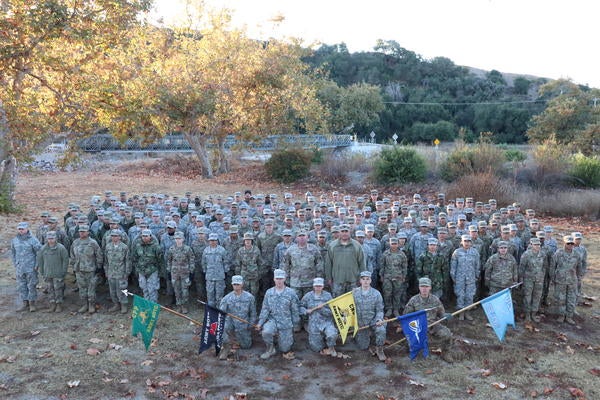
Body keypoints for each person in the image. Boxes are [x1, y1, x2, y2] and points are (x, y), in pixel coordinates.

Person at [404, 277, 453, 362]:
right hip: (418, 327)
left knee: (447, 333)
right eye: (422, 286)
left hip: (433, 325)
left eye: (426, 287)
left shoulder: (435, 300)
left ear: (430, 288)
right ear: (419, 287)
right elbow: (406, 316)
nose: (424, 289)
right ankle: (416, 349)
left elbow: (441, 314)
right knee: (411, 343)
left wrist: (446, 316)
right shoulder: (413, 300)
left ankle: (445, 353)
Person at [256, 269, 300, 359]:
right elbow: (265, 309)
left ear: (284, 279)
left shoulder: (291, 293)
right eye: (277, 278)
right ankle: (270, 349)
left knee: (285, 348)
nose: (279, 281)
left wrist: (295, 324)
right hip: (273, 320)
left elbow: (295, 310)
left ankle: (283, 339)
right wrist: (260, 323)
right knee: (266, 332)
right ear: (274, 279)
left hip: (286, 322)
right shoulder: (269, 292)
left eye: (281, 278)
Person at [219, 275, 257, 360]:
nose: (236, 286)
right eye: (234, 284)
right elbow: (221, 313)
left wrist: (251, 324)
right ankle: (226, 346)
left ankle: (238, 338)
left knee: (246, 346)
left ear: (242, 284)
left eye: (238, 284)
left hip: (243, 323)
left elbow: (253, 313)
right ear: (232, 285)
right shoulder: (226, 298)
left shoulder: (250, 297)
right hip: (231, 322)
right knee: (221, 328)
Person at [353, 271, 387, 362]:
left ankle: (379, 349)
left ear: (371, 280)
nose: (365, 281)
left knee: (381, 329)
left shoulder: (376, 294)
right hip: (361, 323)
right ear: (360, 281)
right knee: (363, 346)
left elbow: (380, 310)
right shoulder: (354, 293)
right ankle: (366, 335)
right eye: (363, 279)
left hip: (373, 321)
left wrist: (379, 319)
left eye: (367, 279)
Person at [300, 277, 338, 356]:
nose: (318, 288)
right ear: (313, 286)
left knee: (332, 335)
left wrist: (323, 309)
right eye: (316, 286)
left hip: (326, 322)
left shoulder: (328, 296)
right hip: (314, 324)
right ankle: (320, 339)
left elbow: (333, 312)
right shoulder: (308, 296)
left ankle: (331, 347)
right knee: (316, 348)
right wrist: (306, 311)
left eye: (320, 286)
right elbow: (300, 307)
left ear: (323, 286)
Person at [69, 224, 103, 314]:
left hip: (90, 269)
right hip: (79, 269)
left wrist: (99, 267)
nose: (82, 233)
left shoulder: (93, 243)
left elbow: (99, 255)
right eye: (80, 231)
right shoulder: (75, 242)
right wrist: (74, 265)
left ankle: (91, 304)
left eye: (84, 231)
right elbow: (72, 255)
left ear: (88, 232)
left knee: (91, 288)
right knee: (82, 288)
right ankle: (84, 304)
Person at [324, 224, 365, 297]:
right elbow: (328, 263)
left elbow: (362, 263)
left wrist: (362, 278)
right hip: (337, 280)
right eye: (342, 231)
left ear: (350, 232)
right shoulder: (332, 245)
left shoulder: (356, 245)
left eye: (346, 231)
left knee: (354, 302)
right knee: (338, 303)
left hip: (353, 280)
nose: (344, 233)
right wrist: (329, 278)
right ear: (339, 232)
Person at [552, 236, 583, 325]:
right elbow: (553, 266)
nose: (570, 245)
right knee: (561, 298)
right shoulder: (558, 253)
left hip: (572, 280)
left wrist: (579, 276)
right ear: (564, 243)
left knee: (571, 298)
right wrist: (552, 277)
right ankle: (561, 315)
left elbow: (579, 266)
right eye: (568, 243)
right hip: (560, 280)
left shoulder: (576, 254)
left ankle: (569, 316)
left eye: (572, 243)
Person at [12, 222, 42, 312]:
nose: (21, 230)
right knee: (21, 286)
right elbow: (13, 253)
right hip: (20, 268)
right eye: (19, 229)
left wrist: (37, 265)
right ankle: (25, 303)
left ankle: (32, 303)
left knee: (31, 285)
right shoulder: (15, 240)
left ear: (27, 229)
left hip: (31, 268)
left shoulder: (33, 240)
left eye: (23, 229)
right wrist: (15, 263)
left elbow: (39, 253)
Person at [37, 231, 69, 313]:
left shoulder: (61, 248)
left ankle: (59, 304)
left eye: (52, 238)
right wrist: (42, 272)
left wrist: (63, 272)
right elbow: (40, 260)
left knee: (58, 289)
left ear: (56, 238)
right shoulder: (43, 248)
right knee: (50, 289)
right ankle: (52, 304)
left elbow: (65, 260)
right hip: (48, 273)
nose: (50, 240)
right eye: (49, 238)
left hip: (58, 273)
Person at [450, 235, 480, 321]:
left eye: (468, 241)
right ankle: (461, 313)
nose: (467, 243)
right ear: (461, 242)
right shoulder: (457, 252)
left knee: (469, 296)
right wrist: (453, 277)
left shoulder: (475, 252)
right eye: (465, 241)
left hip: (471, 278)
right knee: (460, 295)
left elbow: (477, 265)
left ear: (471, 242)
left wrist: (477, 276)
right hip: (459, 278)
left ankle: (467, 312)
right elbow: (453, 266)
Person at [519, 238, 548, 322]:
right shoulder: (526, 255)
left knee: (537, 296)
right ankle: (527, 314)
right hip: (528, 279)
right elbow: (521, 268)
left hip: (539, 279)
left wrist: (542, 276)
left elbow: (544, 266)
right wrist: (521, 279)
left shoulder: (543, 254)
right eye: (535, 245)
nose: (537, 246)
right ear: (531, 245)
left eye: (538, 245)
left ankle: (533, 313)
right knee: (527, 297)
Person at [131, 229, 162, 303]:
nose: (144, 237)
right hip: (141, 271)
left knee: (152, 290)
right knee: (144, 289)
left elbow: (160, 260)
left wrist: (159, 271)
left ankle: (153, 305)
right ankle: (146, 304)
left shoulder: (156, 246)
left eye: (146, 236)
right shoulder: (138, 245)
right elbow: (134, 258)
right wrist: (137, 268)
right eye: (143, 236)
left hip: (152, 271)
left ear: (150, 236)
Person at [167, 231, 195, 313]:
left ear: (183, 239)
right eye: (176, 239)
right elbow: (169, 260)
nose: (178, 240)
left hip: (185, 273)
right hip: (175, 273)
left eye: (179, 238)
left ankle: (184, 306)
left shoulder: (187, 249)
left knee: (185, 291)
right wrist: (169, 271)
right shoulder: (171, 249)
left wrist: (191, 272)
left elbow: (192, 260)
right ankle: (179, 305)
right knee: (177, 290)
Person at [104, 229, 131, 313]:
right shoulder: (108, 246)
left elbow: (128, 261)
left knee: (122, 290)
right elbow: (106, 261)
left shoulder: (124, 247)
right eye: (112, 236)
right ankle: (116, 304)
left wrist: (127, 273)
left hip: (121, 272)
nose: (114, 237)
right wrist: (106, 271)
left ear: (120, 237)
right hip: (111, 272)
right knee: (112, 290)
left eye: (116, 236)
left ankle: (124, 304)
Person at [379, 237, 408, 317]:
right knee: (387, 293)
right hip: (387, 277)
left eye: (395, 244)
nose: (394, 245)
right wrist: (381, 275)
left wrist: (404, 276)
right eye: (392, 244)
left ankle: (396, 309)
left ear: (398, 244)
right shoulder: (385, 254)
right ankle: (389, 308)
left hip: (398, 277)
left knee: (397, 293)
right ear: (389, 244)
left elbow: (404, 266)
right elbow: (382, 265)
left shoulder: (402, 254)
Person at [202, 233, 229, 307]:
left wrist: (225, 272)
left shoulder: (222, 250)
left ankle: (219, 311)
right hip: (209, 277)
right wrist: (205, 271)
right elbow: (203, 262)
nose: (212, 242)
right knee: (210, 295)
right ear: (209, 241)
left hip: (219, 277)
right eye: (211, 240)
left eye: (214, 240)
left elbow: (226, 261)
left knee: (219, 295)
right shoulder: (206, 250)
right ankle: (211, 312)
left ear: (217, 241)